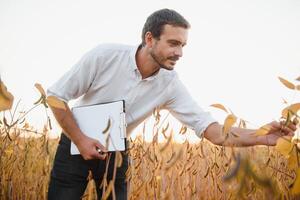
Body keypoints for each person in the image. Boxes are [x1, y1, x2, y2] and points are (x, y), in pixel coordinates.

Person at [47, 8, 296, 200]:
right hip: (74, 144)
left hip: (117, 154)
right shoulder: (105, 56)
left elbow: (213, 131)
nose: (180, 53)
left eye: (183, 45)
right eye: (173, 43)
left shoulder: (171, 85)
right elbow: (55, 96)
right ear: (150, 39)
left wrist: (263, 136)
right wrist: (80, 139)